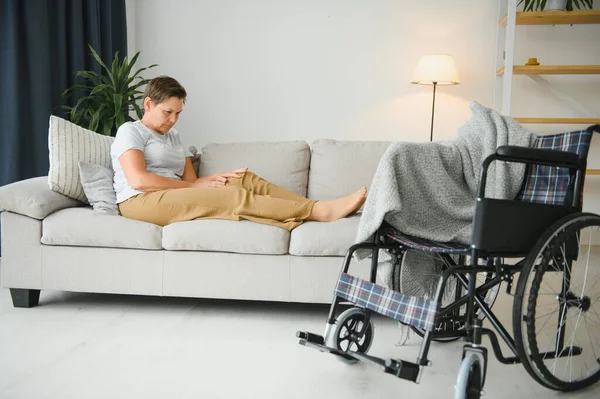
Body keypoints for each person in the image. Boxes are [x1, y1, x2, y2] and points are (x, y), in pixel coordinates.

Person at [111, 75, 367, 230]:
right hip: (139, 201)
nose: (174, 119)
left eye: (178, 113)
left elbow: (190, 182)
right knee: (232, 197)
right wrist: (195, 189)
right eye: (168, 112)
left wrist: (213, 179)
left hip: (172, 193)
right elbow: (140, 181)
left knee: (242, 179)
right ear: (148, 104)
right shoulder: (130, 131)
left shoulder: (174, 136)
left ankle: (316, 206)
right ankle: (320, 213)